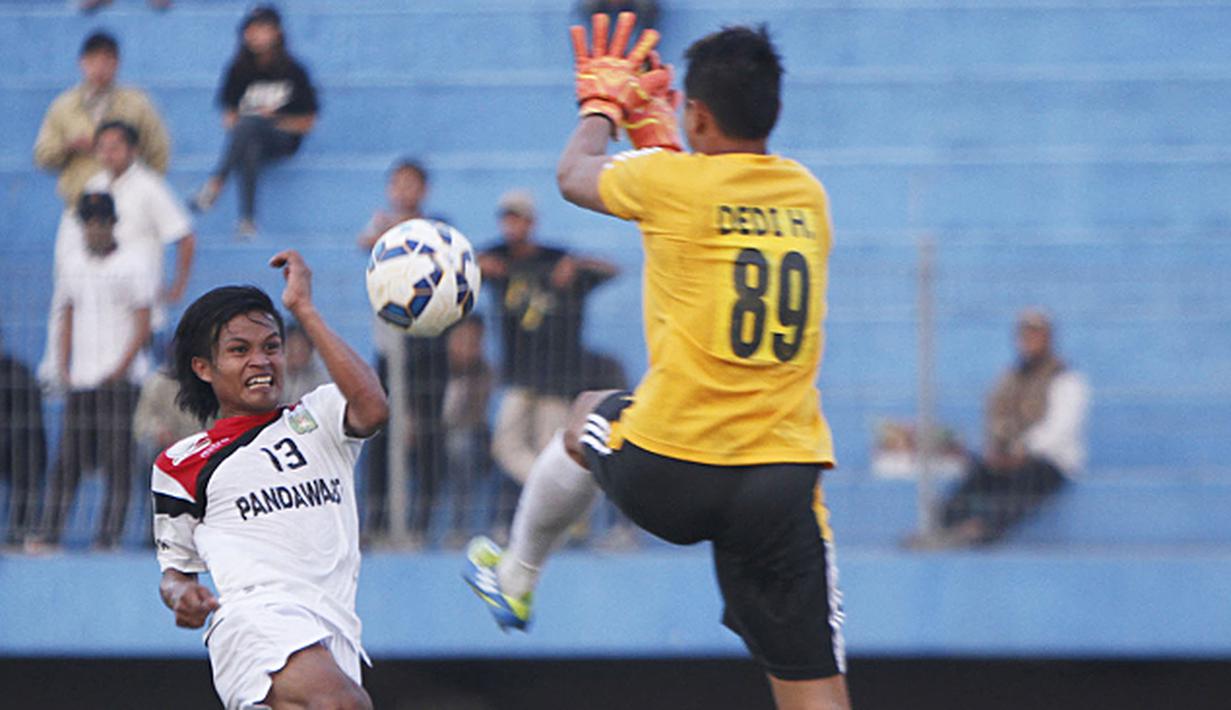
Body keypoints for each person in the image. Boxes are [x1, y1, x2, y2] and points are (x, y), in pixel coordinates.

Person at [464, 16, 850, 710]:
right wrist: (660, 133)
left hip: (672, 468)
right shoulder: (807, 196)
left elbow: (575, 175)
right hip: (780, 481)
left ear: (695, 114)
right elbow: (704, 205)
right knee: (812, 688)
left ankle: (516, 576)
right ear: (775, 108)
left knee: (587, 411)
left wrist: (603, 108)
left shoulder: (670, 184)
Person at [153, 252, 387, 710]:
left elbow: (374, 409)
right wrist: (183, 596)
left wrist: (304, 308)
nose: (261, 360)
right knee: (345, 705)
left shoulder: (319, 416)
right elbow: (175, 572)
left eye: (271, 346)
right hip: (253, 620)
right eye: (240, 350)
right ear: (204, 367)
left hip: (333, 626)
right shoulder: (181, 462)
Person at [913, 308, 1090, 548]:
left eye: (1037, 335)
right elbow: (995, 417)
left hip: (1048, 461)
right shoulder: (1010, 379)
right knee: (976, 475)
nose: (1030, 341)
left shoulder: (1066, 379)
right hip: (1009, 456)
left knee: (1026, 482)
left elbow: (1060, 429)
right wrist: (998, 450)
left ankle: (985, 529)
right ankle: (943, 527)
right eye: (1026, 335)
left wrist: (1022, 450)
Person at [478, 189, 619, 487]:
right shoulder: (496, 257)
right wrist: (480, 265)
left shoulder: (555, 258)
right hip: (519, 373)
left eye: (518, 219)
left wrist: (577, 265)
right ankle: (549, 491)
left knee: (551, 447)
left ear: (531, 222)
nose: (512, 226)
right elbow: (460, 264)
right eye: (507, 219)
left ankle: (555, 501)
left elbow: (611, 269)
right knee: (505, 444)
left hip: (558, 375)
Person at [38, 193, 153, 550]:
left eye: (100, 223)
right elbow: (67, 313)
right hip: (83, 380)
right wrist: (65, 365)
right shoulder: (73, 265)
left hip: (121, 381)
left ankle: (109, 536)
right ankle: (49, 533)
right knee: (68, 460)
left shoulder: (134, 264)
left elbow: (143, 320)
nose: (94, 230)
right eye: (88, 224)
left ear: (112, 223)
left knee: (119, 460)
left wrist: (120, 368)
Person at [356, 159, 450, 548]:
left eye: (410, 183)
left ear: (423, 189)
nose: (403, 190)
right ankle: (376, 521)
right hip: (390, 347)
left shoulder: (438, 227)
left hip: (429, 345)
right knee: (378, 431)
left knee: (427, 435)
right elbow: (366, 245)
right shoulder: (380, 226)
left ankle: (420, 524)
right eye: (397, 183)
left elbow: (438, 253)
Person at [190, 5, 319, 239]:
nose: (256, 35)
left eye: (263, 28)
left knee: (251, 124)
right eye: (252, 29)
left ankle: (215, 184)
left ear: (277, 33)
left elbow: (308, 122)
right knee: (249, 141)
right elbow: (229, 119)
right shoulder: (238, 70)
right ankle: (247, 221)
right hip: (249, 139)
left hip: (283, 140)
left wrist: (274, 120)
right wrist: (254, 122)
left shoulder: (294, 71)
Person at [33, 30, 170, 207]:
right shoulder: (63, 106)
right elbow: (43, 157)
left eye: (107, 61)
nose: (99, 68)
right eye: (93, 60)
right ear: (81, 62)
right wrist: (69, 146)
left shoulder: (138, 104)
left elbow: (159, 153)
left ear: (117, 63)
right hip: (79, 206)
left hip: (128, 208)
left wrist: (144, 193)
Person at [441, 316, 495, 549]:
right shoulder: (433, 368)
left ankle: (459, 527)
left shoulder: (483, 373)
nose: (468, 346)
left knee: (461, 446)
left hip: (470, 437)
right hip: (430, 438)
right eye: (462, 339)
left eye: (475, 341)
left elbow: (473, 418)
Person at [0, 330, 47, 549]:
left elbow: (27, 422)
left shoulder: (16, 373)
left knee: (26, 453)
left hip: (17, 446)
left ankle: (20, 530)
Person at [281, 320, 329, 404]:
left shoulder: (319, 378)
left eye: (301, 350)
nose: (295, 355)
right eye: (291, 349)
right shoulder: (272, 373)